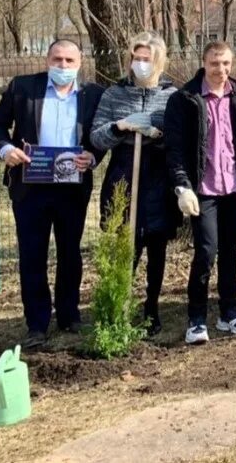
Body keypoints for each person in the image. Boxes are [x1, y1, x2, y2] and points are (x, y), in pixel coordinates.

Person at [0, 39, 104, 349]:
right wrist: (6, 149)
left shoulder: (93, 95)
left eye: (69, 60)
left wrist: (92, 157)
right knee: (32, 255)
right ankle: (36, 324)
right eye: (57, 59)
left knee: (70, 252)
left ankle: (69, 315)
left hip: (72, 187)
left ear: (79, 63)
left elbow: (100, 138)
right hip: (30, 188)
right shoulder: (23, 87)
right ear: (47, 59)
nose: (62, 66)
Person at [165, 41, 236, 345]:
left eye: (226, 64)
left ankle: (229, 313)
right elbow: (175, 147)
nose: (221, 70)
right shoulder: (185, 99)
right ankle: (196, 318)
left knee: (231, 250)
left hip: (233, 186)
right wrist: (182, 185)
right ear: (204, 63)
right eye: (215, 64)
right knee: (206, 251)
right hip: (202, 190)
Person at [90, 32, 179, 337]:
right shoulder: (113, 95)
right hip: (124, 170)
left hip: (158, 173)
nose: (140, 64)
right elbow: (96, 136)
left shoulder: (171, 95)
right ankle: (120, 305)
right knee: (124, 243)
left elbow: (181, 136)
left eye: (147, 59)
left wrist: (160, 134)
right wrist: (120, 126)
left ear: (159, 62)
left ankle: (152, 307)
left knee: (156, 243)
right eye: (136, 58)